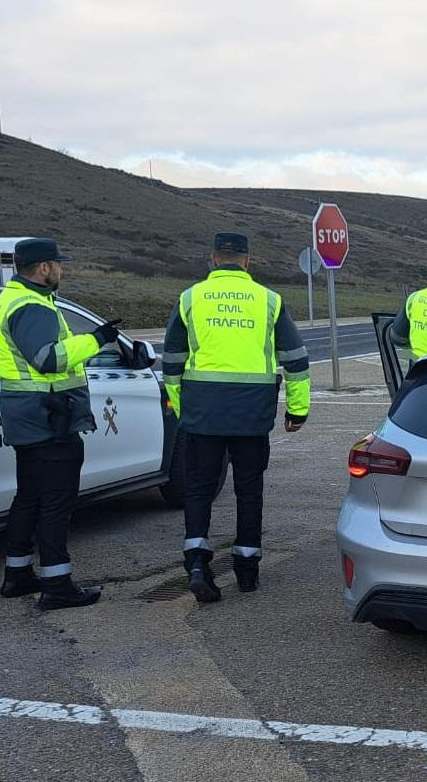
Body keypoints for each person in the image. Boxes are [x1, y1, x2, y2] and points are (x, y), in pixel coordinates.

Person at [162, 232, 310, 603]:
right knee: (249, 489)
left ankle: (197, 563)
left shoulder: (190, 298)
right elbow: (296, 360)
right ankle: (246, 569)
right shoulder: (269, 300)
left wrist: (184, 410)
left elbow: (172, 363)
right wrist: (298, 409)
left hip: (203, 413)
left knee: (198, 489)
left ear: (213, 258)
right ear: (247, 260)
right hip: (251, 412)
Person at [0, 237, 119, 610]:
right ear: (44, 268)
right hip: (49, 417)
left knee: (29, 495)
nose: (61, 270)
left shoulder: (11, 300)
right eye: (58, 264)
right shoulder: (32, 305)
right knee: (56, 503)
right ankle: (57, 585)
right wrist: (96, 340)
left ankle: (17, 575)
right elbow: (49, 358)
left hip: (27, 414)